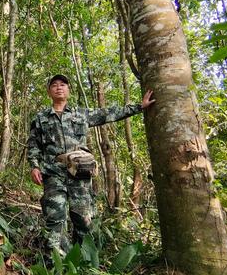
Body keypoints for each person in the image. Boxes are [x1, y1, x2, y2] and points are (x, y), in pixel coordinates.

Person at [27, 74, 154, 257]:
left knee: (83, 219)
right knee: (55, 218)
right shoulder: (41, 118)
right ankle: (57, 262)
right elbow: (33, 145)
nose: (59, 87)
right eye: (54, 85)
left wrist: (139, 107)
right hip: (53, 173)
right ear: (49, 92)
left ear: (68, 90)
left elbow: (108, 113)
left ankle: (83, 260)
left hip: (80, 174)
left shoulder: (81, 114)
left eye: (63, 84)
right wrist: (34, 166)